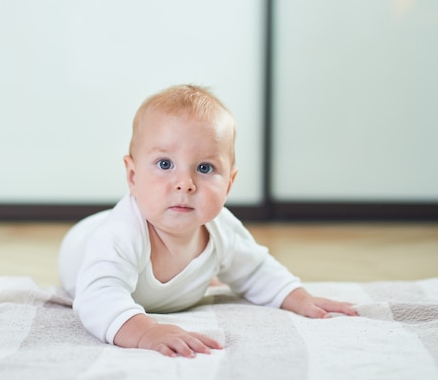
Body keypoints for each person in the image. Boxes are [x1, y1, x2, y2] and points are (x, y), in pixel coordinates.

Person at [58, 84, 357, 358]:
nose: (185, 183)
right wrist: (146, 331)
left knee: (235, 262)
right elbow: (97, 298)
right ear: (133, 176)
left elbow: (256, 270)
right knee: (103, 263)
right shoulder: (118, 236)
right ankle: (201, 274)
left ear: (229, 183)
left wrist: (299, 296)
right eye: (165, 164)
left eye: (204, 167)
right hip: (82, 241)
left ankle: (200, 272)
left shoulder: (221, 229)